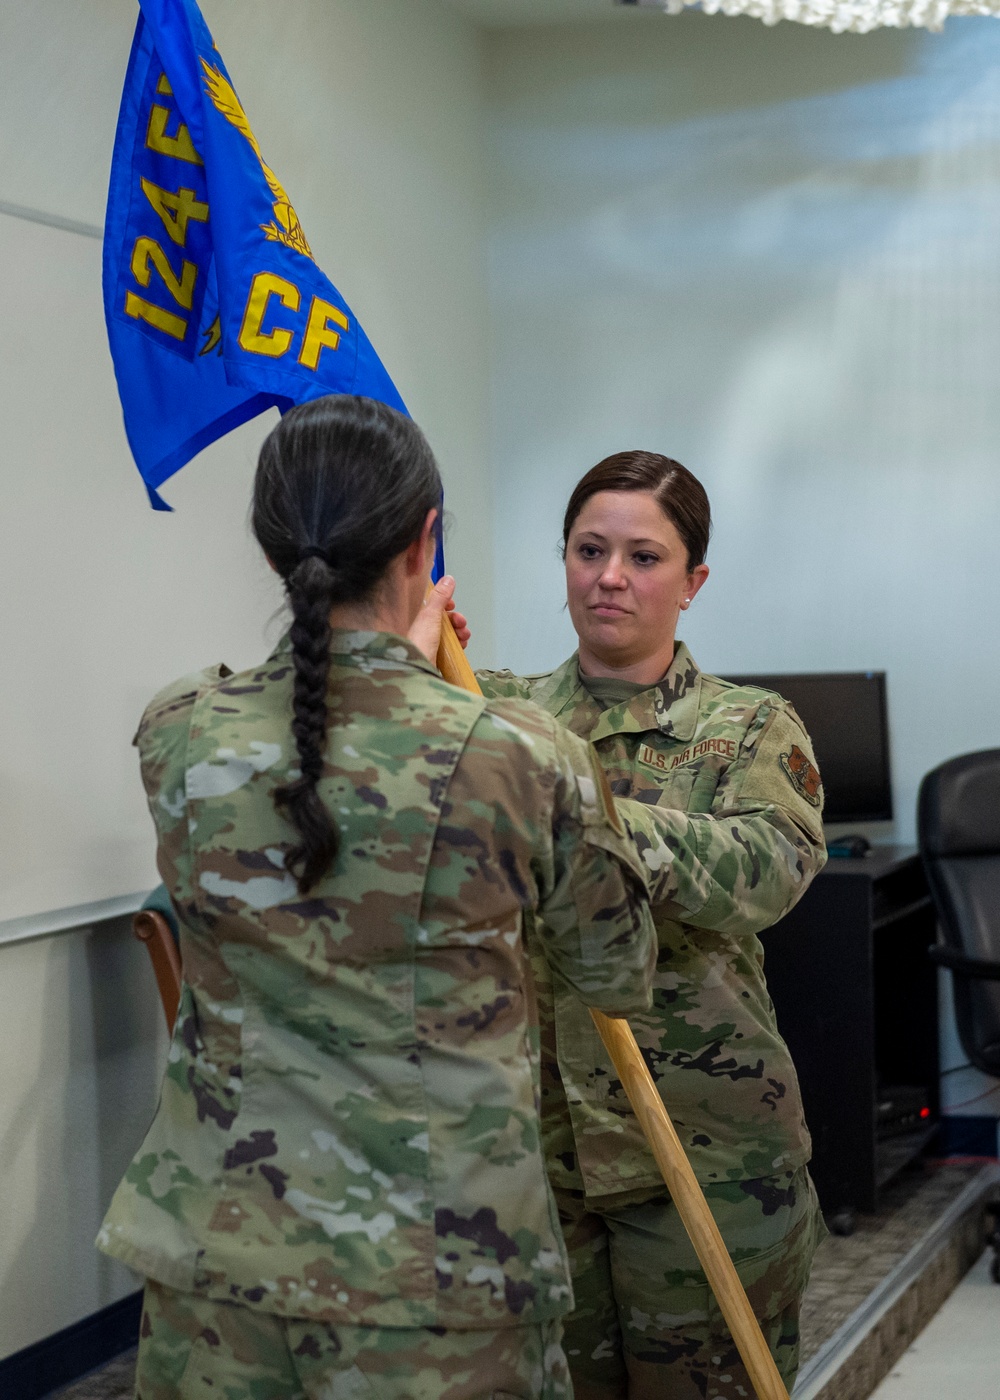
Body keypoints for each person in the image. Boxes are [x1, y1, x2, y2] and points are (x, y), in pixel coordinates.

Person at [97, 398, 658, 1400]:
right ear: (422, 539)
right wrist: (434, 668)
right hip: (438, 1282)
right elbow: (615, 967)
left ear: (273, 546)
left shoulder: (178, 728)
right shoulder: (520, 753)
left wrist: (404, 648)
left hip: (218, 1270)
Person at [476, 451, 828, 1400]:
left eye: (644, 556)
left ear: (693, 582)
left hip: (703, 1155)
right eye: (590, 551)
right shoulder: (495, 715)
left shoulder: (750, 728)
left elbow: (772, 870)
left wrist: (590, 819)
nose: (610, 578)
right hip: (537, 1160)